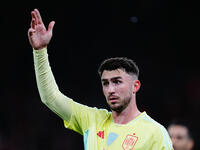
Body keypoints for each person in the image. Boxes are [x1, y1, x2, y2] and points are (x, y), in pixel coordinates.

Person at [28, 8, 173, 150]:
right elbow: (50, 97)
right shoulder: (92, 120)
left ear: (135, 86)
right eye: (105, 83)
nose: (110, 89)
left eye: (117, 82)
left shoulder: (155, 133)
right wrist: (40, 51)